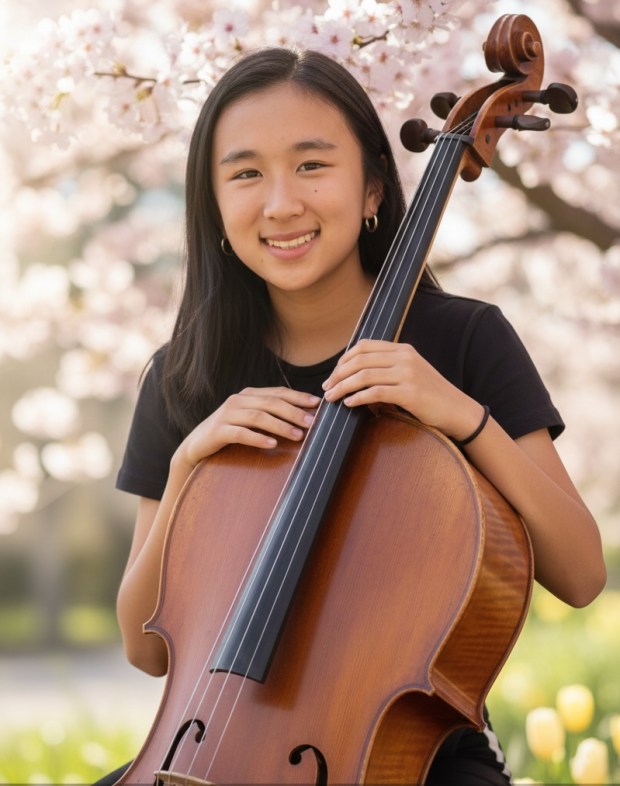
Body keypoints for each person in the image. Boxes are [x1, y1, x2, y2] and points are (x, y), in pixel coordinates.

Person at [107, 47, 606, 785]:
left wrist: (460, 416)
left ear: (374, 185)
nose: (280, 204)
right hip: (205, 747)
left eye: (312, 165)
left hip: (411, 755)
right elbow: (146, 652)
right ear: (211, 202)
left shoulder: (463, 340)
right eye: (245, 173)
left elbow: (581, 572)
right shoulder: (183, 377)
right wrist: (186, 469)